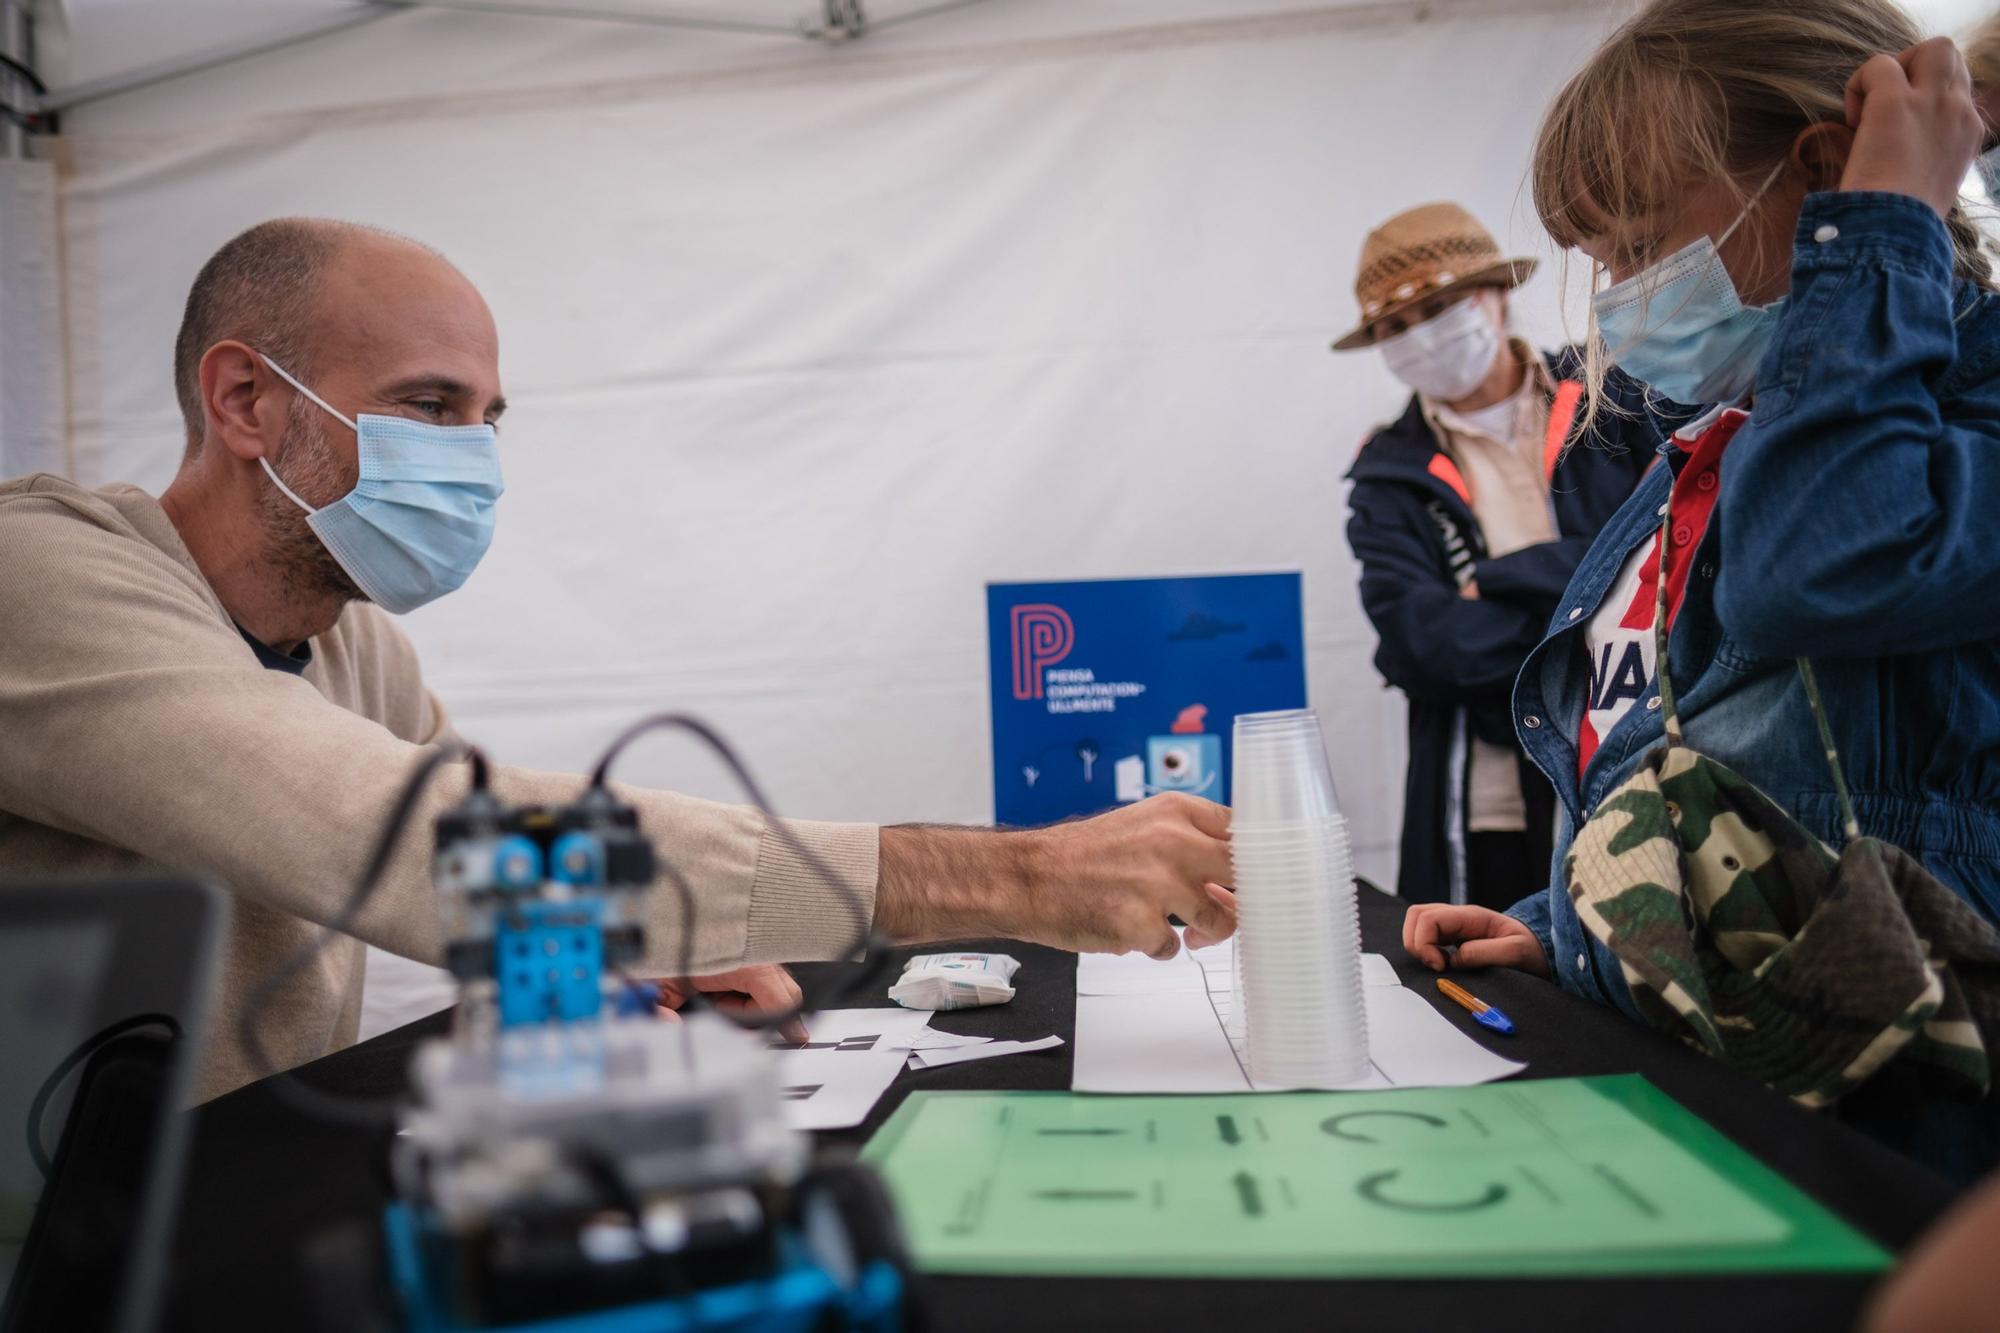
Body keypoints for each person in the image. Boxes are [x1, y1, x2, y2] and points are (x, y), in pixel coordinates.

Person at [0, 219, 1238, 1102]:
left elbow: (498, 874)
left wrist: (628, 952)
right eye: (432, 407)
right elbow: (415, 843)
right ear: (244, 401)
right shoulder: (40, 577)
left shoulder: (348, 633)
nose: (475, 454)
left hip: (208, 1204)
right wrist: (999, 879)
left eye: (490, 419)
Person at [1400, 0, 2000, 1176]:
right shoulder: (1719, 439)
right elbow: (1692, 769)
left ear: (1825, 168)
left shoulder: (1942, 424)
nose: (1619, 294)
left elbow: (1818, 567)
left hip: (1900, 1147)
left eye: (1631, 246)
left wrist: (1874, 231)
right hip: (1723, 1101)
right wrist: (1566, 928)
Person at [1336, 202, 1665, 910]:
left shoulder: (1619, 392)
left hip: (1646, 759)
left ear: (1497, 294)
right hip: (1486, 799)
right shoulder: (1384, 471)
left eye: (1439, 307)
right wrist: (1593, 607)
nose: (1419, 336)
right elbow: (1423, 646)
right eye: (1395, 327)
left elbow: (1668, 555)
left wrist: (1490, 582)